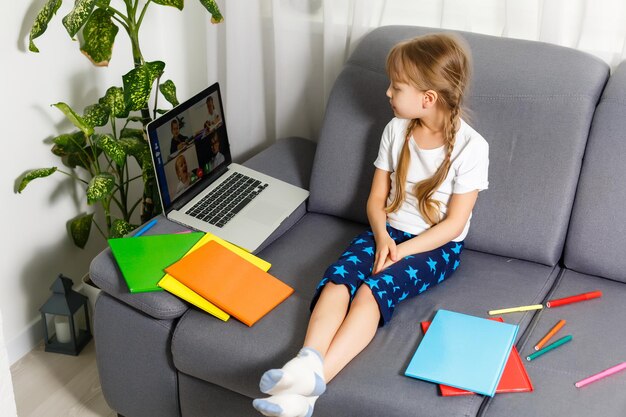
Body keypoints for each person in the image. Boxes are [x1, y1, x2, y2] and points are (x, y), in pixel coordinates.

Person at [253, 32, 489, 417]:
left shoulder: (472, 148)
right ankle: (306, 362)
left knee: (371, 292)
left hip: (434, 248)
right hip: (387, 233)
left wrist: (401, 251)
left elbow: (453, 225)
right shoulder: (395, 130)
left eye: (396, 86)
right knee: (338, 279)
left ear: (427, 98)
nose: (387, 93)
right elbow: (376, 200)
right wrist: (382, 237)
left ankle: (309, 392)